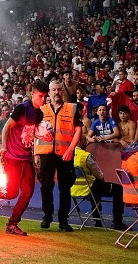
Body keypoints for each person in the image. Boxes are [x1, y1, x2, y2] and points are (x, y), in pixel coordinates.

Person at [0, 79, 49, 236]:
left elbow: (33, 134)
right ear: (33, 94)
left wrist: (36, 150)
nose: (43, 100)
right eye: (41, 96)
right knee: (11, 192)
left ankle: (12, 224)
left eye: (45, 96)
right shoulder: (22, 108)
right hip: (12, 157)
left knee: (28, 192)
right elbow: (6, 127)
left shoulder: (40, 114)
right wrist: (3, 146)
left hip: (26, 158)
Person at [35, 79, 82, 232]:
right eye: (54, 90)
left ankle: (63, 220)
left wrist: (70, 150)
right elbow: (35, 133)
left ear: (63, 91)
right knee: (46, 187)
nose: (57, 92)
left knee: (65, 188)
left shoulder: (72, 108)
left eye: (59, 90)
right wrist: (35, 152)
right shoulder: (41, 110)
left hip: (65, 154)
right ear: (49, 92)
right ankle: (47, 217)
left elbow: (78, 131)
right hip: (46, 155)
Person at [71, 136, 126, 230]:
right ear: (79, 141)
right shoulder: (85, 156)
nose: (87, 141)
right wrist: (102, 180)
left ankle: (97, 220)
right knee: (118, 189)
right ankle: (117, 222)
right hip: (88, 188)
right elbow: (99, 174)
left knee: (95, 189)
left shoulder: (69, 154)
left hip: (73, 189)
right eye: (84, 139)